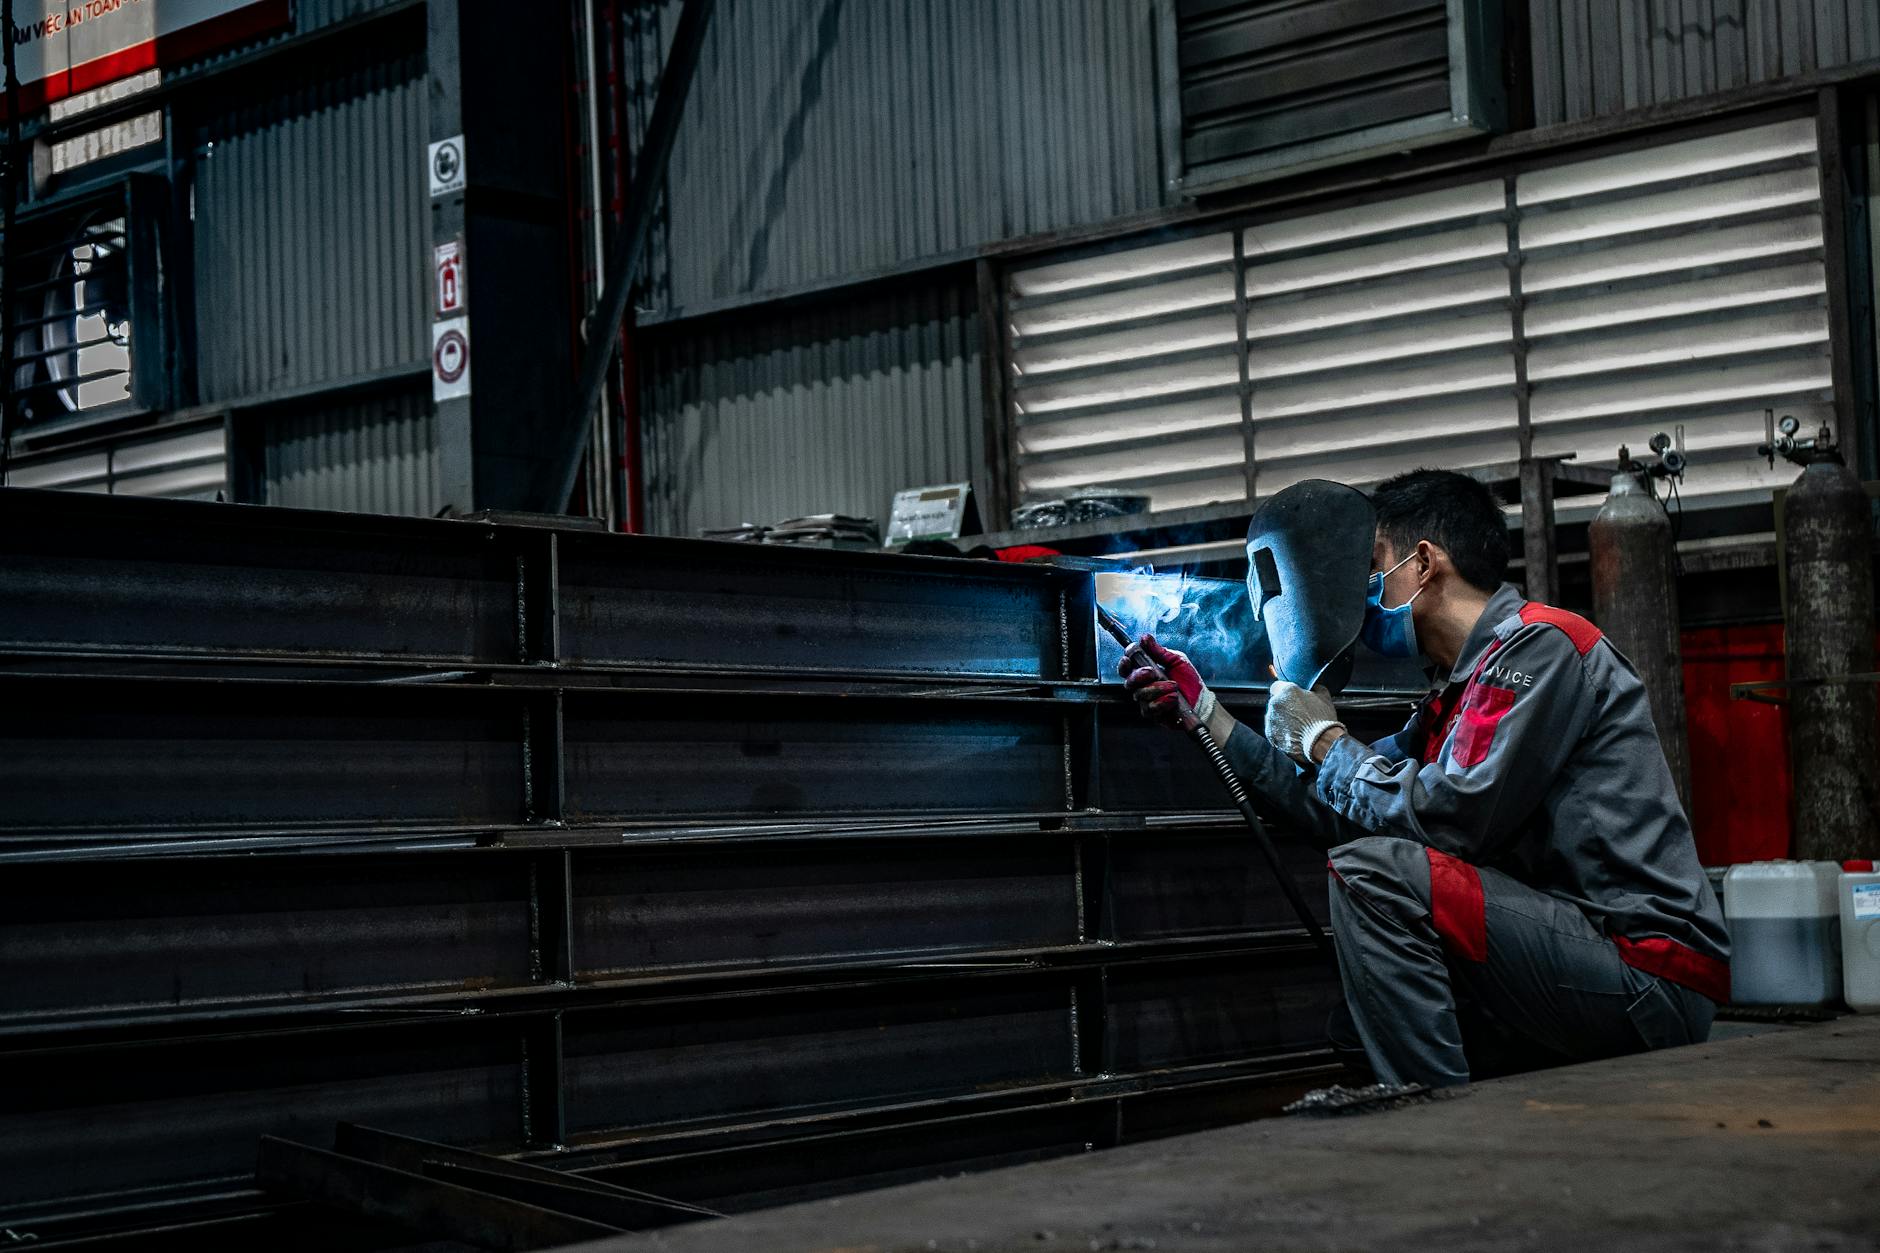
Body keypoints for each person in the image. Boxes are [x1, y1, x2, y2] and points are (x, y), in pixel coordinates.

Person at [1121, 468, 1729, 1088]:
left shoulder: (1542, 648)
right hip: (1574, 953)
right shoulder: (1456, 696)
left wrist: (1324, 740)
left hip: (1646, 971)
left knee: (1373, 875)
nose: (1362, 591)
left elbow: (1451, 818)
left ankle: (1434, 1125)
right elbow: (1343, 809)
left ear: (1423, 562)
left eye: (1373, 565)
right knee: (1360, 1024)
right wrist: (1209, 715)